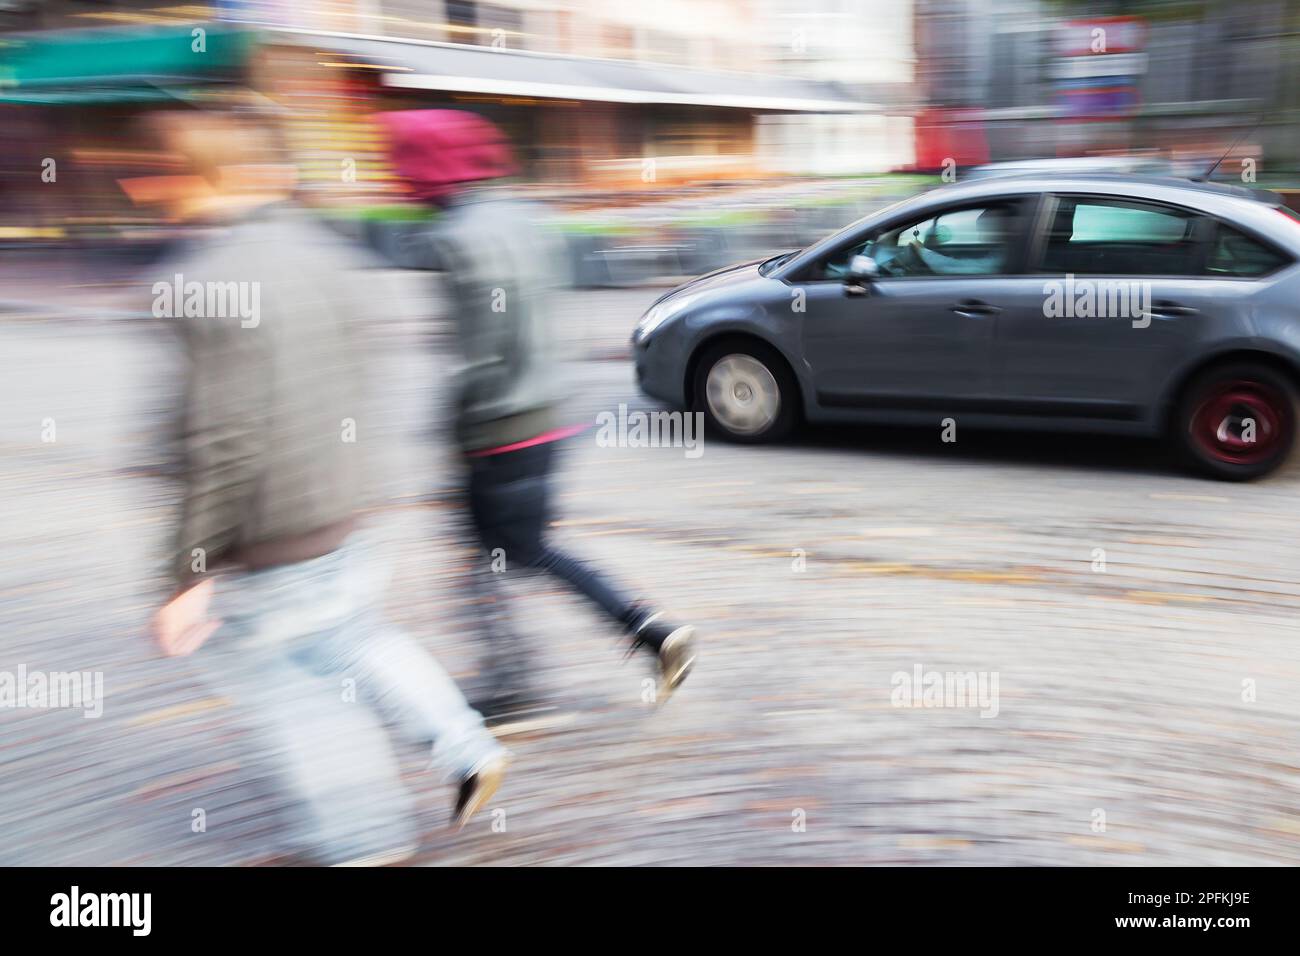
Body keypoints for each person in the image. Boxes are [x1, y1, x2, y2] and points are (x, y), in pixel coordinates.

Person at [145, 107, 507, 866]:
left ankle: (362, 839)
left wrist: (188, 570)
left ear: (198, 178)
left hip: (270, 532)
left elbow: (222, 440)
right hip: (343, 508)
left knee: (289, 686)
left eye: (166, 172)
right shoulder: (334, 256)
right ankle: (464, 744)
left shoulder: (203, 282)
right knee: (356, 638)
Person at [378, 109, 698, 722]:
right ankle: (643, 634)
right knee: (525, 550)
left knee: (490, 560)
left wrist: (455, 434)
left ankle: (523, 680)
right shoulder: (522, 215)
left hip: (496, 431)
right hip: (551, 416)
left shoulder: (453, 238)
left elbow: (476, 357)